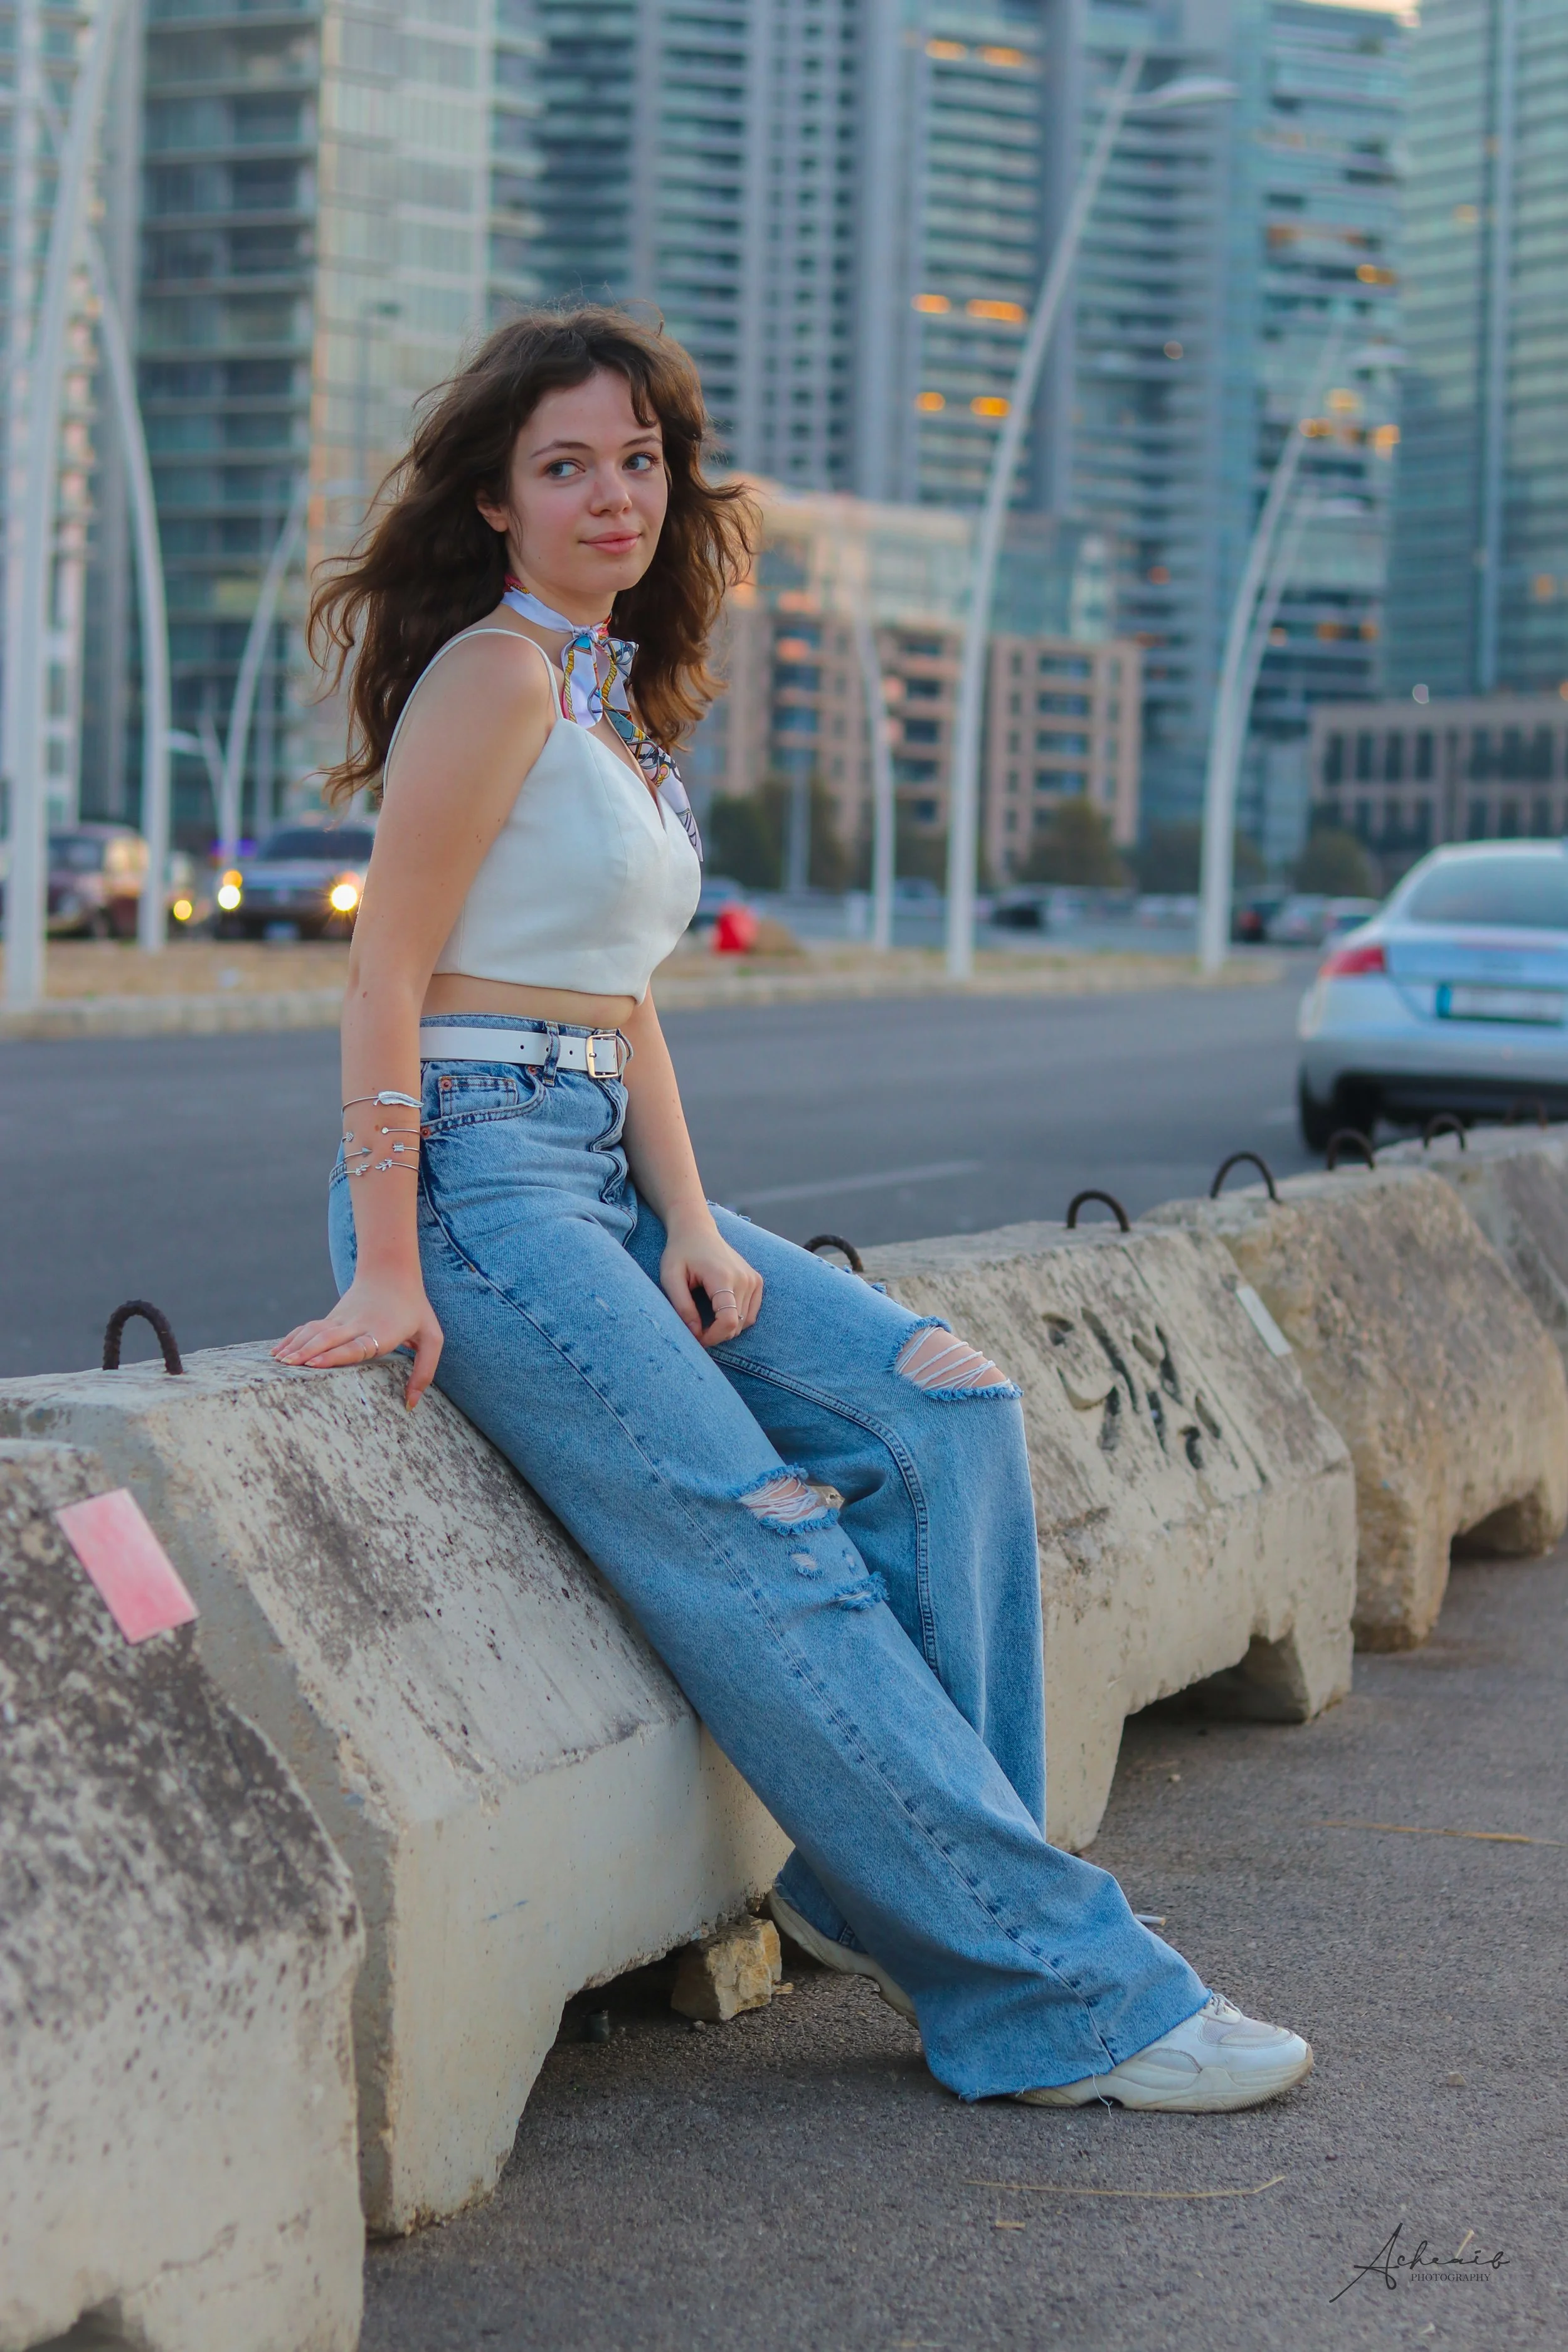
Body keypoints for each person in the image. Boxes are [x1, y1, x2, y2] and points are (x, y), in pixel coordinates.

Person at [275, 307, 1313, 2112]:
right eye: (565, 465)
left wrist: (688, 1216)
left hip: (597, 1169)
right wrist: (384, 1261)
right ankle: (1058, 1988)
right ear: (498, 504)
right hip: (484, 1194)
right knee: (765, 1532)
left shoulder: (608, 695)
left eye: (640, 460)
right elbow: (388, 976)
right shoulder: (495, 676)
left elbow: (626, 994)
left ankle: (875, 1879)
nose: (613, 495)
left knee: (942, 1411)